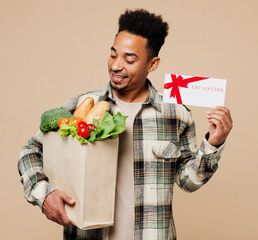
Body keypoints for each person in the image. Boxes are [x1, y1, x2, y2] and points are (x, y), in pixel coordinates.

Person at [18, 9, 233, 240]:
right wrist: (43, 193)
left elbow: (188, 182)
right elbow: (30, 151)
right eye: (113, 55)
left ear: (153, 64)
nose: (116, 66)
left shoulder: (176, 114)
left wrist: (214, 143)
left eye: (129, 59)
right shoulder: (79, 107)